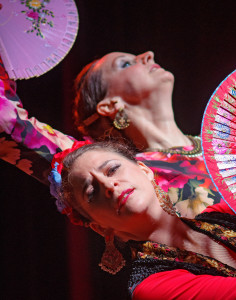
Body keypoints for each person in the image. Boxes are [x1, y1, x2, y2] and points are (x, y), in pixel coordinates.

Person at [48, 133, 236, 300]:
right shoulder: (153, 287)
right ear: (99, 227)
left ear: (145, 171)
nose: (109, 185)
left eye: (113, 169)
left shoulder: (222, 215)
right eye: (92, 193)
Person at [0, 51, 222, 221]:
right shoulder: (119, 174)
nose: (148, 55)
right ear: (109, 105)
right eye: (126, 64)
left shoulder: (225, 146)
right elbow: (9, 123)